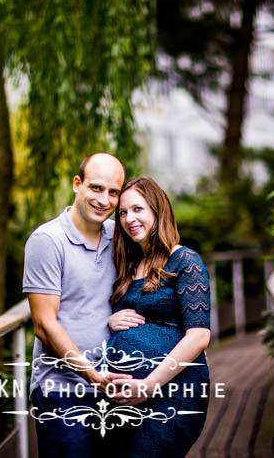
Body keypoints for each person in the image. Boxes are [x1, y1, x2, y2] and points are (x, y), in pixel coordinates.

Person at [22, 152, 131, 458]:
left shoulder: (119, 236)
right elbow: (44, 325)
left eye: (113, 192)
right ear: (77, 184)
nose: (104, 200)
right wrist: (94, 376)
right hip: (62, 393)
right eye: (96, 188)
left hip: (114, 389)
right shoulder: (48, 240)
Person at [107, 176, 211, 457]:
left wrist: (148, 385)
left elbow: (199, 336)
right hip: (125, 397)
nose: (129, 219)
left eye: (138, 209)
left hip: (173, 391)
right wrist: (112, 320)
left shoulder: (185, 260)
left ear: (157, 210)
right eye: (123, 213)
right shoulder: (129, 265)